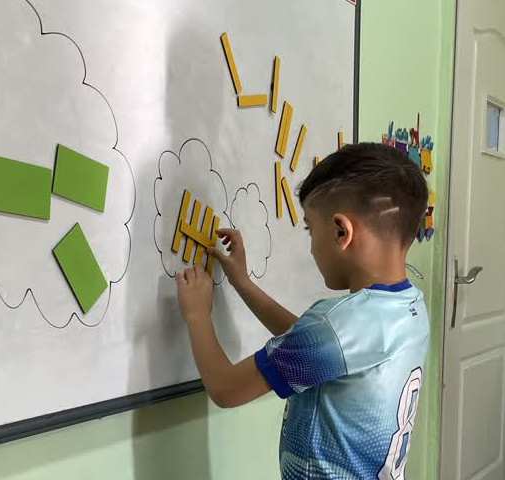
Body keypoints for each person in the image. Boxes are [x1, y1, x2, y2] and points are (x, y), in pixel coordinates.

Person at [176, 143, 430, 479]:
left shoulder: (333, 330)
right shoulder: (409, 307)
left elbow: (225, 388)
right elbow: (310, 341)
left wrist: (197, 315)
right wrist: (243, 283)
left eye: (310, 229)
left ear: (341, 231)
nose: (310, 246)